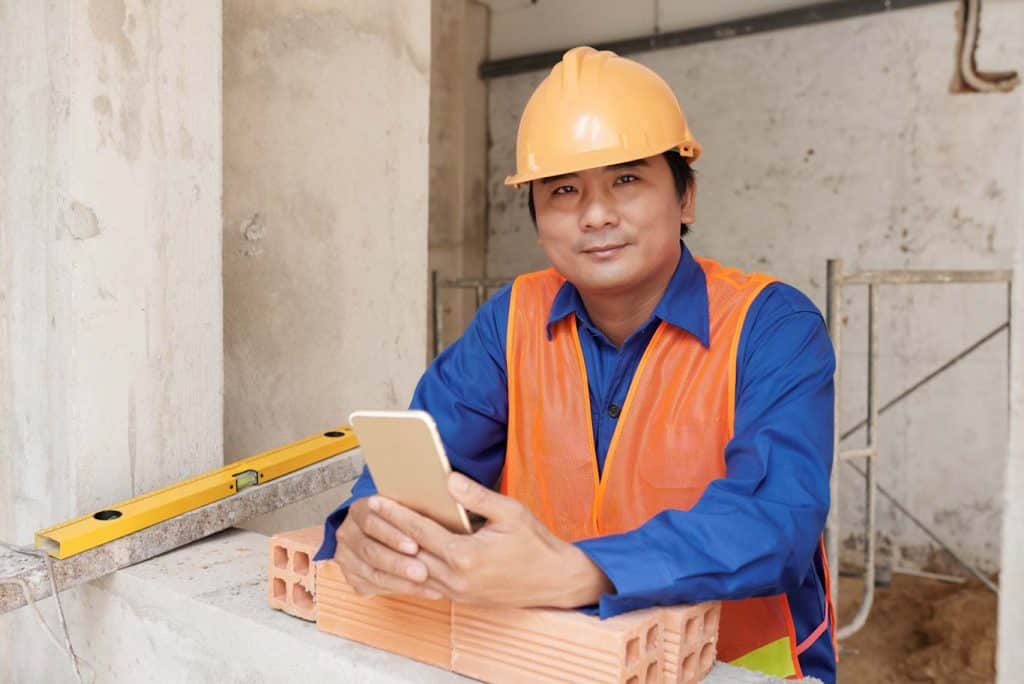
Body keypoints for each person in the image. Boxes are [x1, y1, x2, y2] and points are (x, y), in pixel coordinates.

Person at [314, 46, 837, 682]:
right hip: (557, 661)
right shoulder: (511, 321)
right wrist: (369, 527)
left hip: (728, 667)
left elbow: (774, 519)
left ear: (686, 196)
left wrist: (579, 571)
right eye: (564, 190)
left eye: (627, 179)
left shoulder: (772, 327)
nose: (596, 215)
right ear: (537, 218)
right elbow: (428, 465)